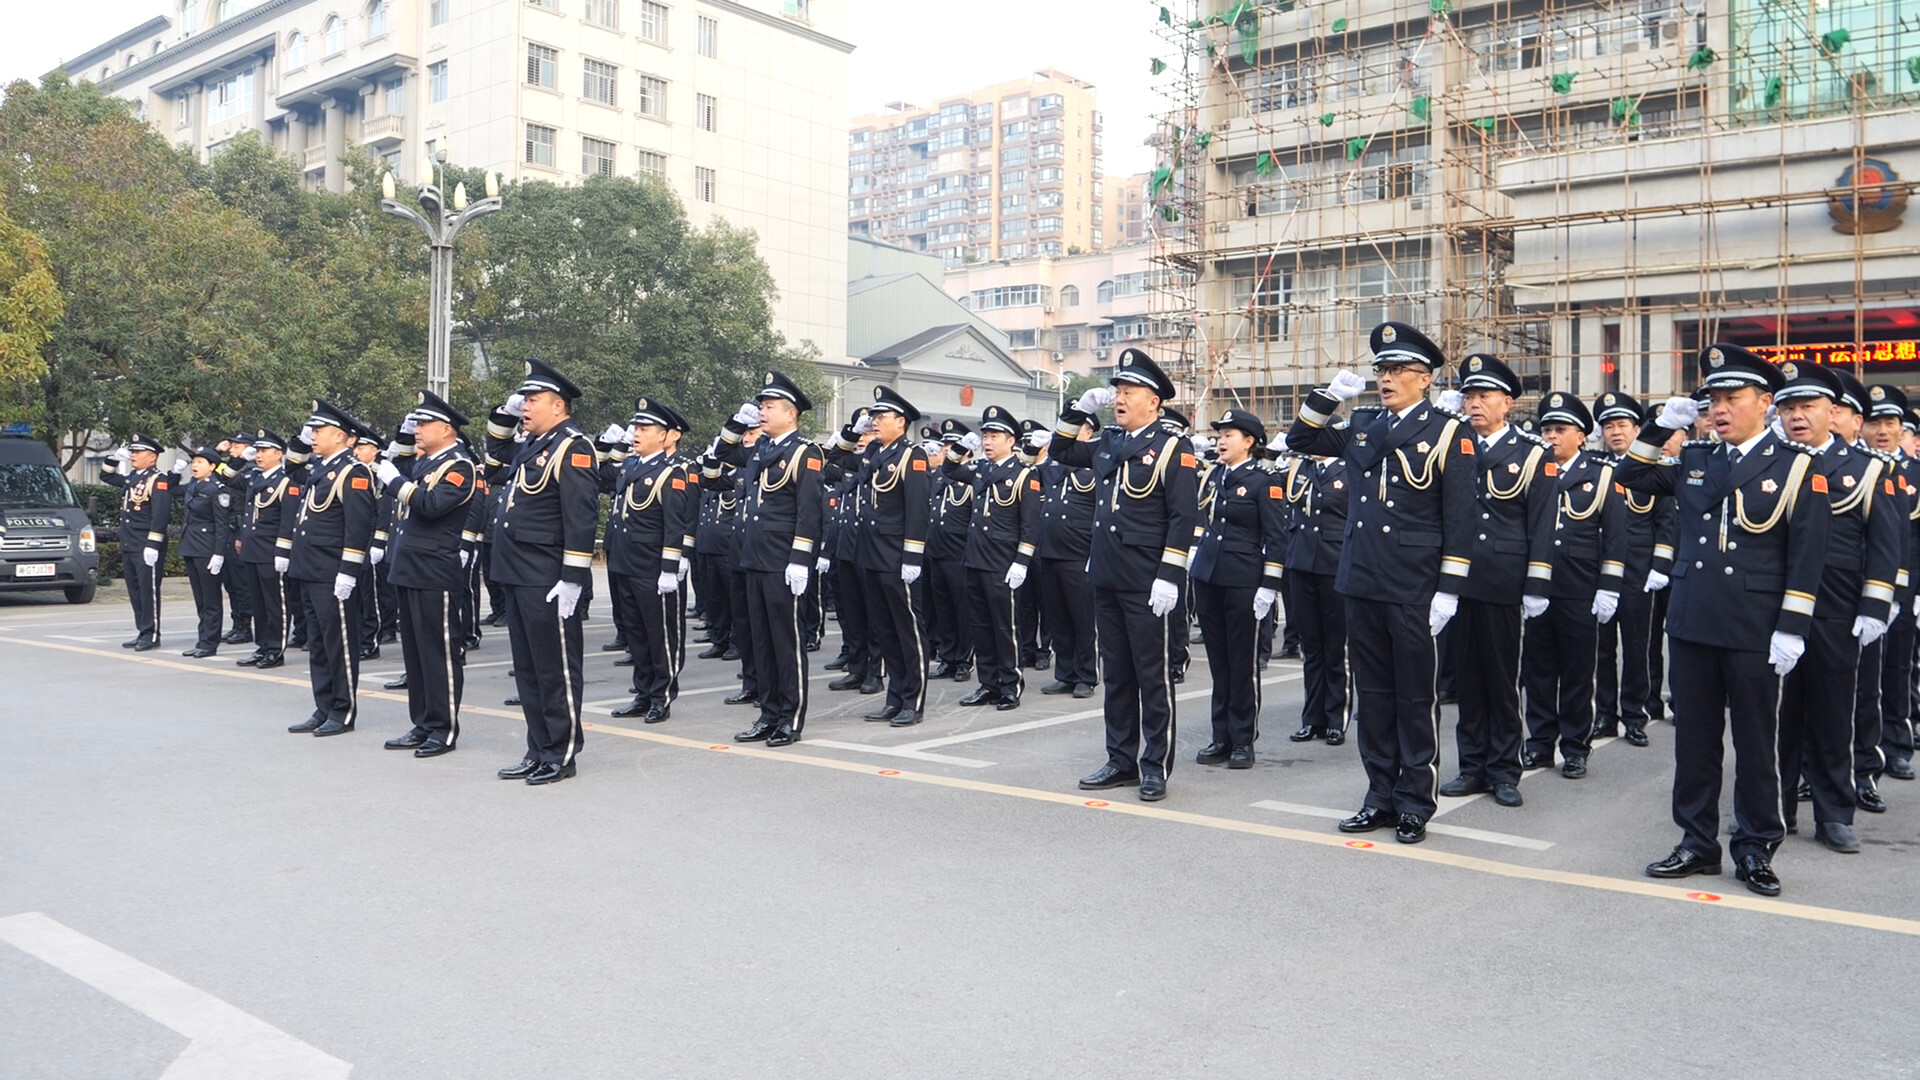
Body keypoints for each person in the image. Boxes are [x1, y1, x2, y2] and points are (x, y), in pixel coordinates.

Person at [1616, 344, 1829, 896]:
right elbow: (1629, 475)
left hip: (1755, 626)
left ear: (1765, 402)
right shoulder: (1695, 460)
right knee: (1696, 741)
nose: (1720, 410)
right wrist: (1660, 425)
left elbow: (1807, 553)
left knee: (1758, 743)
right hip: (1692, 620)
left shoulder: (1797, 466)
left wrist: (1793, 626)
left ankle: (1756, 845)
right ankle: (1695, 842)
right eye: (1713, 400)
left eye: (1733, 399)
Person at [1286, 322, 1477, 843]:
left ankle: (1415, 800)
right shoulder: (1365, 424)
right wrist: (1328, 397)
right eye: (1381, 370)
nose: (1386, 379)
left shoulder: (1448, 432)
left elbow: (1461, 517)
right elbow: (1302, 438)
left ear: (1425, 379)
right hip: (1362, 576)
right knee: (1372, 695)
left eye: (1397, 371)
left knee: (1414, 696)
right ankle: (1379, 794)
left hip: (1415, 584)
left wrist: (1449, 588)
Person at [1051, 349, 1200, 803]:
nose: (1119, 397)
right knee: (1116, 674)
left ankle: (1154, 765)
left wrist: (1169, 575)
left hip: (1146, 579)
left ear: (1153, 401)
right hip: (1108, 574)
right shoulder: (1110, 442)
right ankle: (1120, 758)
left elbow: (1182, 516)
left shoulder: (1175, 447)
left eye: (1128, 391)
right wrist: (1079, 408)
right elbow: (1060, 450)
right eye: (1117, 390)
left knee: (1152, 675)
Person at [1769, 362, 1898, 853]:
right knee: (1774, 716)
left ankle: (1834, 812)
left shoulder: (1868, 469)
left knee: (1831, 714)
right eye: (1789, 408)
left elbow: (1885, 544)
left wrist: (1875, 603)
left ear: (1834, 412)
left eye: (1808, 407)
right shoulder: (1771, 462)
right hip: (1775, 607)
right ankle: (1772, 810)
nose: (1798, 417)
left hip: (1836, 607)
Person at [1437, 354, 1554, 807]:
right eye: (1468, 396)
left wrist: (1537, 585)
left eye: (1483, 396)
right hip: (1459, 581)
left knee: (1503, 680)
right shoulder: (1454, 445)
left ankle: (1505, 769)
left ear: (1507, 403)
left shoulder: (1531, 455)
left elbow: (1543, 524)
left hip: (1505, 581)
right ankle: (1472, 765)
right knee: (1467, 679)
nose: (1473, 404)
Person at [483, 360, 602, 783]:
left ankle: (561, 753)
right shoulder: (534, 444)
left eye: (533, 400)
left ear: (558, 405)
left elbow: (581, 517)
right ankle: (538, 748)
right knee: (529, 669)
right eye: (525, 400)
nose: (526, 407)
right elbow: (495, 451)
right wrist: (505, 411)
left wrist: (573, 578)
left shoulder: (574, 447)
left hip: (546, 575)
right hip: (517, 572)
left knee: (555, 668)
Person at [1520, 391, 1630, 780]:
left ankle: (1575, 747)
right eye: (1546, 429)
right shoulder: (1533, 471)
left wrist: (1609, 586)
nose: (1551, 437)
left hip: (1580, 587)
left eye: (1560, 430)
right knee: (1538, 670)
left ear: (1581, 436)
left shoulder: (1601, 475)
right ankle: (1539, 743)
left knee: (1578, 672)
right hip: (1538, 587)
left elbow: (1616, 536)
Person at [714, 371, 827, 747]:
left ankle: (790, 718)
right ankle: (768, 712)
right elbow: (723, 453)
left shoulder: (804, 453)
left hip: (782, 561)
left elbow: (810, 512)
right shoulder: (761, 450)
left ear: (791, 414)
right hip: (753, 558)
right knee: (759, 640)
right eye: (761, 406)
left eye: (769, 407)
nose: (762, 413)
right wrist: (736, 422)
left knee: (785, 641)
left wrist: (800, 557)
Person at [372, 391, 479, 757]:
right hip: (410, 569)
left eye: (424, 424)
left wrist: (395, 482)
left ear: (446, 429)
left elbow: (432, 506)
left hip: (434, 571)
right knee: (415, 654)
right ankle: (422, 722)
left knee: (438, 653)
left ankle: (443, 729)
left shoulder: (460, 467)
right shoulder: (425, 464)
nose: (417, 430)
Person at [1189, 409, 1287, 769]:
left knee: (1242, 663)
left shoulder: (1264, 481)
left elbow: (1277, 537)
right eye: (1219, 435)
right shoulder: (1214, 476)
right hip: (1209, 576)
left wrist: (1269, 586)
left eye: (1229, 435)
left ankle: (1243, 739)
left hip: (1244, 579)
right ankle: (1221, 736)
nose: (1221, 440)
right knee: (1219, 662)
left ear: (1249, 442)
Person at [284, 401, 380, 738]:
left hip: (332, 571)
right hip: (310, 568)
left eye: (318, 431)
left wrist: (348, 571)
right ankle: (323, 705)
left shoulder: (353, 472)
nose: (312, 436)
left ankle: (342, 710)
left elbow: (358, 526)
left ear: (340, 436)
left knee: (339, 643)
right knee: (319, 642)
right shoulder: (322, 468)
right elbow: (290, 469)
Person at [1591, 392, 1675, 748]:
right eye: (1609, 426)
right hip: (1599, 571)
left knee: (1638, 645)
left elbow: (1667, 523)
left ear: (1637, 429)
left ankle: (1635, 714)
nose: (1616, 432)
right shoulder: (1593, 467)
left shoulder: (1654, 470)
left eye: (1622, 425)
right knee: (1602, 647)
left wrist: (1660, 565)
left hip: (1640, 571)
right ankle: (1605, 715)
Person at [946, 405, 1041, 712]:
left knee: (1005, 627)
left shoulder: (1024, 476)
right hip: (975, 559)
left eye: (994, 435)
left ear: (1011, 440)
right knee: (981, 626)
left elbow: (1030, 525)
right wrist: (962, 447)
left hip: (1002, 563)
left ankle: (1010, 685)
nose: (987, 441)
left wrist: (1022, 562)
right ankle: (988, 684)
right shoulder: (981, 471)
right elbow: (948, 470)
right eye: (985, 435)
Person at [609, 397, 697, 724]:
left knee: (660, 634)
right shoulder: (631, 466)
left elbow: (676, 523)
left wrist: (670, 567)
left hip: (652, 566)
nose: (636, 433)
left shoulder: (672, 472)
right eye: (636, 428)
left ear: (663, 436)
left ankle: (661, 695)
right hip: (625, 563)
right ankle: (642, 692)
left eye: (644, 429)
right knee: (636, 635)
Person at [849, 386, 933, 727]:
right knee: (885, 630)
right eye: (873, 417)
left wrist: (912, 556)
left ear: (901, 421)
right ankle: (895, 696)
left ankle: (913, 699)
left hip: (897, 555)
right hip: (872, 553)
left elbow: (917, 509)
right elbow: (841, 465)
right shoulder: (878, 454)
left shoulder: (912, 456)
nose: (874, 422)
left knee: (908, 630)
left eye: (880, 417)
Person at [1863, 383, 1919, 782]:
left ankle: (1897, 742)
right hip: (1859, 586)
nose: (1882, 430)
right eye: (1874, 421)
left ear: (1903, 428)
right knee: (1861, 675)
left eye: (1890, 422)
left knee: (1898, 666)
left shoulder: (1915, 472)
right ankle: (1862, 753)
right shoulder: (1855, 466)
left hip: (1907, 585)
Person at [1036, 413, 1099, 699]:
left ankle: (1086, 675)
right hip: (1049, 551)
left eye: (1076, 429)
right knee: (1057, 618)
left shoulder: (1096, 466)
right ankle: (1065, 673)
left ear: (1087, 434)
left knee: (1083, 619)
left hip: (1079, 553)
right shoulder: (1052, 466)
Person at [227, 429, 297, 669]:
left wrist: (284, 551)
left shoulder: (287, 481)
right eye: (257, 451)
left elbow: (288, 520)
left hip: (271, 551)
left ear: (279, 454)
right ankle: (262, 646)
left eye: (264, 451)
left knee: (275, 604)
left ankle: (276, 649)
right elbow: (229, 480)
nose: (259, 455)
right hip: (253, 549)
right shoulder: (255, 478)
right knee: (259, 604)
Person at [101, 434, 174, 651]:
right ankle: (142, 629)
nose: (133, 456)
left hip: (146, 544)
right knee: (135, 589)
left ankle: (151, 634)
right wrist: (114, 459)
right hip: (130, 542)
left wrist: (153, 544)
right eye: (132, 452)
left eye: (138, 452)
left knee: (148, 590)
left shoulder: (158, 480)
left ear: (152, 457)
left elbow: (160, 516)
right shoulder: (133, 477)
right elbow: (106, 476)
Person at [925, 419, 976, 683]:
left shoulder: (972, 476)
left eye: (952, 445)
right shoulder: (937, 477)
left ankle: (964, 660)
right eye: (945, 445)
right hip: (936, 551)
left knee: (961, 609)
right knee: (942, 608)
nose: (946, 449)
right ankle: (947, 656)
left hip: (959, 552)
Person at [176, 447, 234, 658]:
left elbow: (222, 524)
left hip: (207, 549)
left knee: (211, 599)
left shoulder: (218, 490)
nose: (195, 465)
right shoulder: (193, 485)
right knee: (200, 599)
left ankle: (210, 643)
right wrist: (175, 472)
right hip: (191, 546)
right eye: (194, 462)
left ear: (212, 467)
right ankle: (202, 639)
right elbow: (171, 489)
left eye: (200, 462)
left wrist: (219, 553)